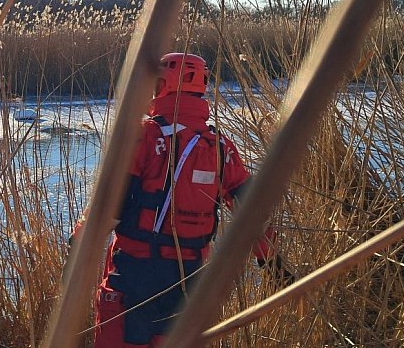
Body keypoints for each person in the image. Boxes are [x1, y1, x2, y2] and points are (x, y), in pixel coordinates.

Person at [71, 53, 290, 347]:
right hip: (189, 283)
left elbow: (111, 206)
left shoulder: (145, 135)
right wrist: (272, 263)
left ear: (165, 84)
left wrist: (78, 247)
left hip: (134, 279)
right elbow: (252, 212)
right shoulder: (220, 147)